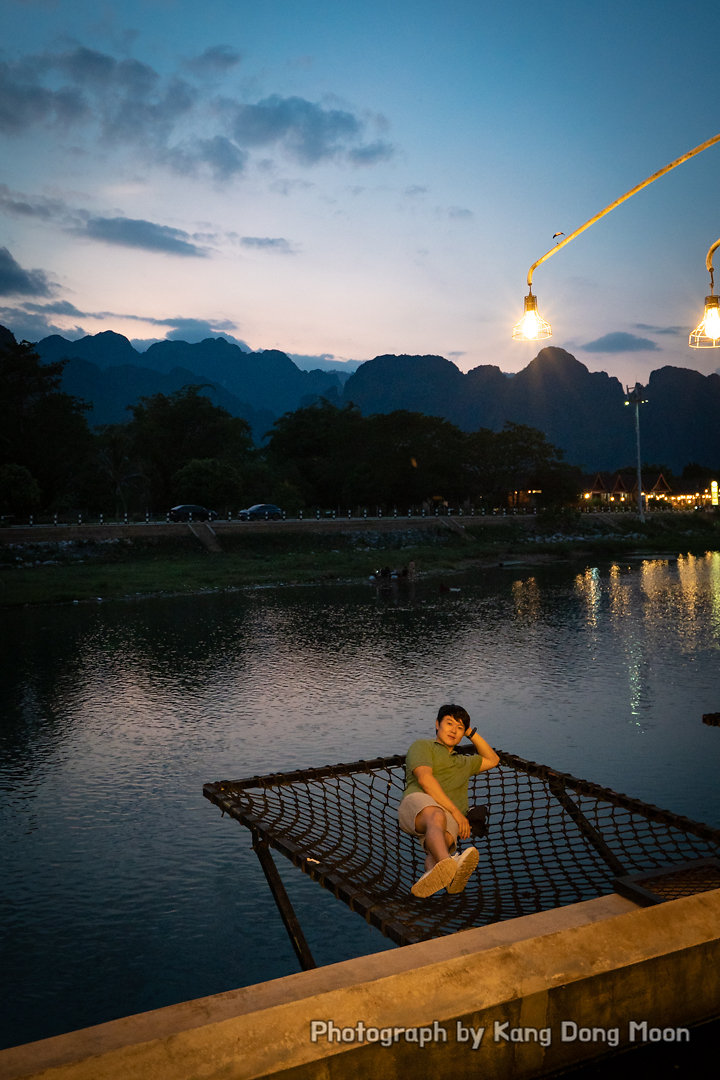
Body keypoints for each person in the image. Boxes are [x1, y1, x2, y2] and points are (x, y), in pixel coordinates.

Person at [398, 704, 499, 897]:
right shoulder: (423, 746)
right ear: (437, 724)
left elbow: (493, 759)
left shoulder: (465, 762)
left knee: (437, 848)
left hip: (448, 820)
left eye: (459, 727)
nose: (453, 730)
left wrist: (470, 731)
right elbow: (425, 779)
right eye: (449, 723)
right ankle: (451, 865)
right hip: (418, 806)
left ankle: (435, 875)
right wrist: (457, 813)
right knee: (436, 815)